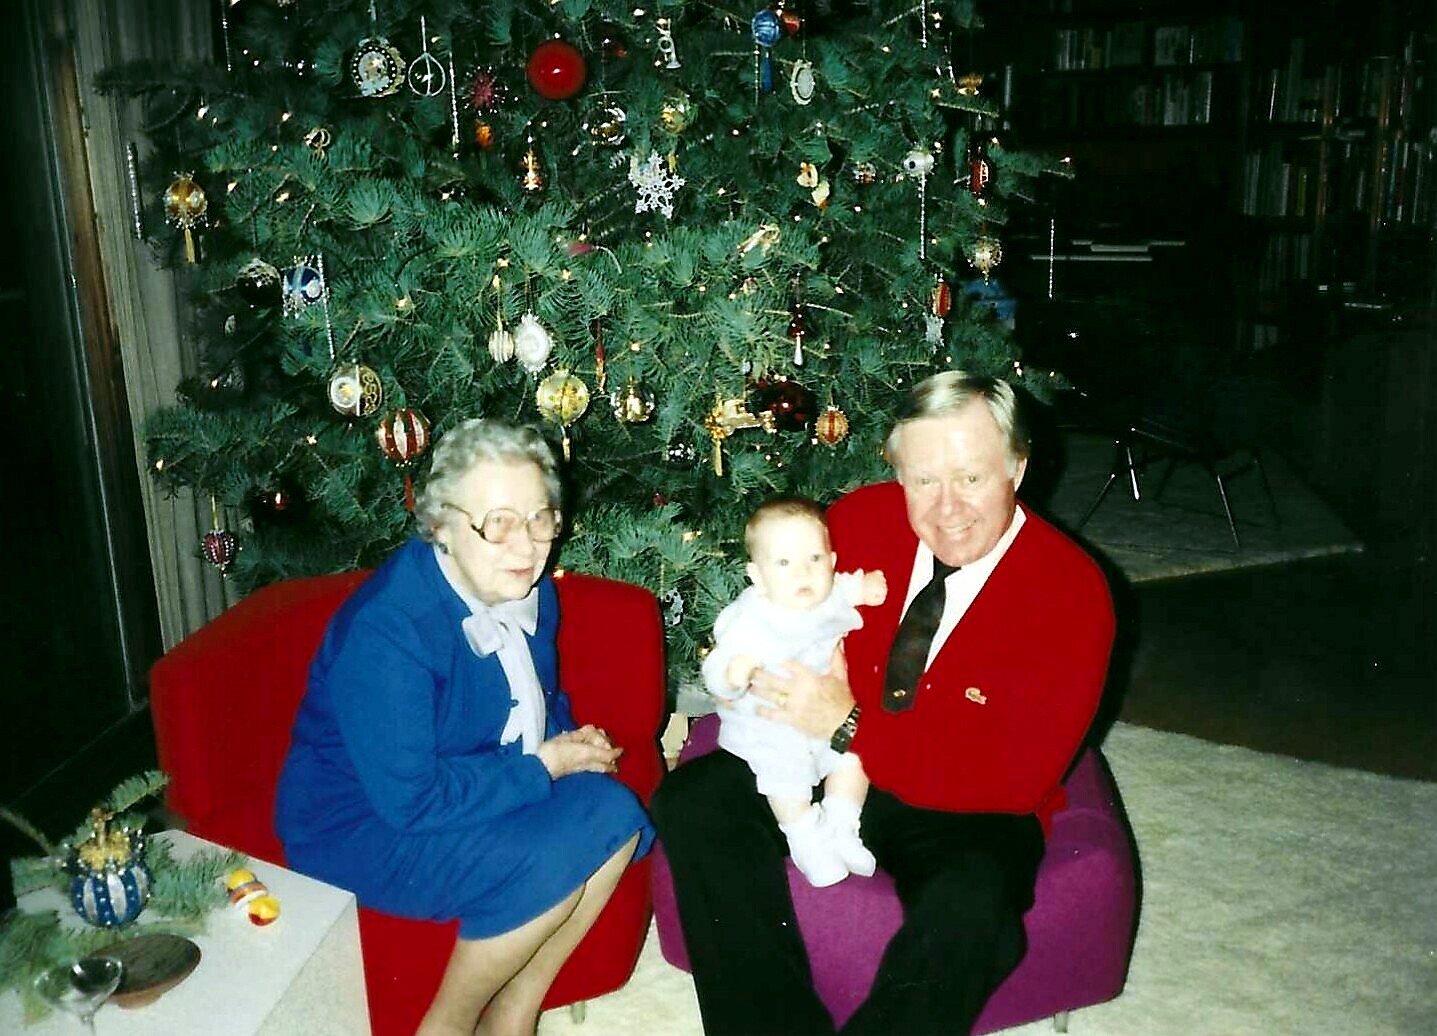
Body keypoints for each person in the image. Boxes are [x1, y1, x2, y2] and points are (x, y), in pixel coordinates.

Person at [652, 370, 1115, 1036]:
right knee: (694, 800)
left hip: (967, 805)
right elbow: (774, 617)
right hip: (821, 761)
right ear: (897, 472)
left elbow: (1015, 781)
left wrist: (848, 723)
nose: (947, 507)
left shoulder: (1071, 590)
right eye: (923, 480)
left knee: (973, 906)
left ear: (1017, 466)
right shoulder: (856, 524)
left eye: (971, 478)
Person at [275, 418, 653, 1036]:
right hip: (364, 822)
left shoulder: (527, 589)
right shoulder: (387, 632)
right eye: (498, 522)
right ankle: (448, 1023)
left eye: (539, 518)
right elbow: (411, 800)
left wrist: (565, 737)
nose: (527, 546)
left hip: (475, 774)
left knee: (616, 819)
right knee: (557, 857)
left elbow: (531, 695)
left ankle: (516, 1010)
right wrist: (545, 766)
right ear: (442, 525)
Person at [701, 497, 888, 887]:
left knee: (855, 757)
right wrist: (732, 675)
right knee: (785, 778)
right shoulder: (750, 618)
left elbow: (845, 587)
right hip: (769, 723)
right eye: (784, 563)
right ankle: (805, 838)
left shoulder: (830, 593)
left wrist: (864, 586)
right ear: (757, 575)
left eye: (814, 559)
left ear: (831, 562)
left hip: (829, 712)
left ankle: (842, 825)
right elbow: (716, 668)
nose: (803, 572)